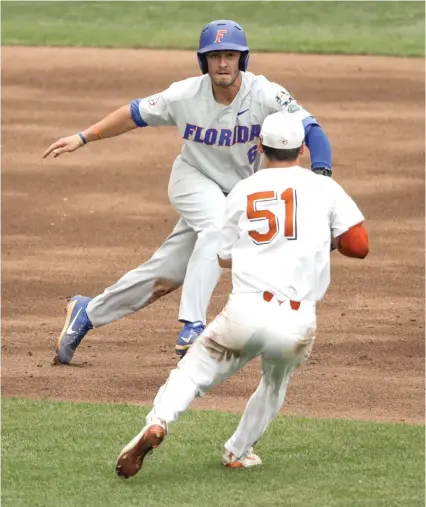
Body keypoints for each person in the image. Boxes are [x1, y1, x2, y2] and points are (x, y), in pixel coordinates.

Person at [43, 20, 332, 364]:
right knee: (217, 228)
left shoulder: (265, 94)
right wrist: (83, 136)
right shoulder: (184, 95)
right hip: (192, 179)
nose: (223, 63)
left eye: (230, 55)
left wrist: (321, 178)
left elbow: (312, 129)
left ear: (242, 59)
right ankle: (193, 325)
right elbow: (134, 113)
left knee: (166, 274)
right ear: (204, 61)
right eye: (215, 56)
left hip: (236, 192)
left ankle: (87, 312)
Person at [114, 112, 369, 478]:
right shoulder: (324, 188)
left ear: (260, 147)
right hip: (297, 322)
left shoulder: (244, 190)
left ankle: (158, 424)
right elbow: (358, 245)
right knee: (274, 385)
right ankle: (237, 450)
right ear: (302, 151)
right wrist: (322, 242)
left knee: (191, 374)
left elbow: (222, 255)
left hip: (247, 310)